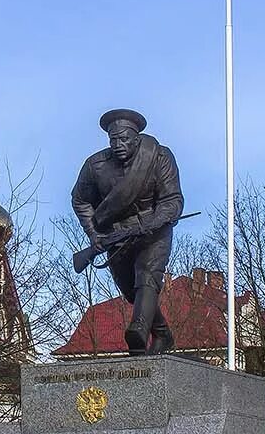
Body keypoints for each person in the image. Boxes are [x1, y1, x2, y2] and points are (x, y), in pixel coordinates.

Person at [71, 108, 183, 354]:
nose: (118, 145)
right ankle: (162, 334)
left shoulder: (158, 157)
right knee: (132, 291)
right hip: (117, 235)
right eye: (114, 140)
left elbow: (172, 200)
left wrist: (154, 222)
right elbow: (80, 199)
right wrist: (94, 235)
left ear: (136, 138)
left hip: (152, 231)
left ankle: (139, 330)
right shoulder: (95, 165)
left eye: (124, 139)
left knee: (148, 276)